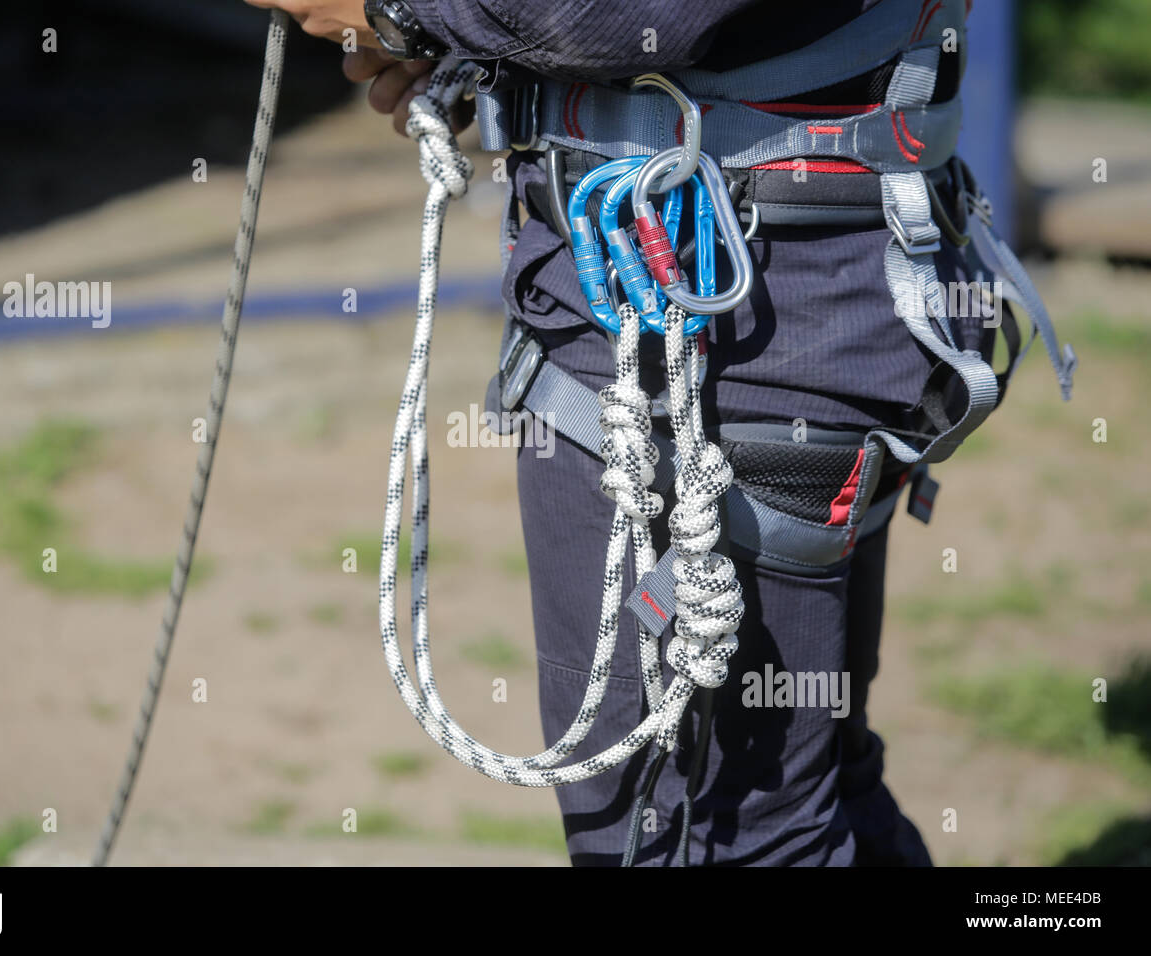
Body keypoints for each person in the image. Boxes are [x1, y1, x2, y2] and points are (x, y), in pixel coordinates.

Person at [245, 0, 1072, 866]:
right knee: (805, 799)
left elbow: (614, 13)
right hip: (809, 304)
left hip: (742, 337)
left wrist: (400, 11)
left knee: (701, 834)